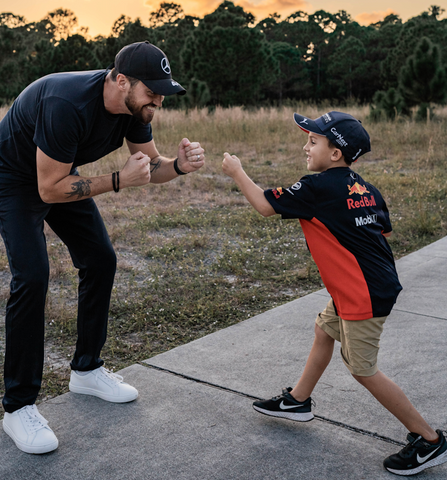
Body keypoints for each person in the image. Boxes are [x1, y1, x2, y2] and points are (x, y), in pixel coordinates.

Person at [0, 41, 205, 454]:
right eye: (153, 92)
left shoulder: (135, 110)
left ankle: (87, 369)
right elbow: (47, 189)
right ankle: (18, 407)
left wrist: (179, 166)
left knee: (101, 259)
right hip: (15, 180)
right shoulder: (66, 102)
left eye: (163, 93)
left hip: (58, 174)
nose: (158, 102)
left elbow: (150, 167)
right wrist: (116, 180)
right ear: (121, 80)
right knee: (33, 276)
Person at [222, 111, 447, 476]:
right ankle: (297, 400)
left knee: (362, 369)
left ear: (336, 153)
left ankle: (430, 441)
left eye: (313, 141)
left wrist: (236, 171)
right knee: (324, 329)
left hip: (362, 294)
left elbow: (265, 205)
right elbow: (382, 232)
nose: (305, 146)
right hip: (368, 285)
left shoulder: (316, 188)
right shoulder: (366, 189)